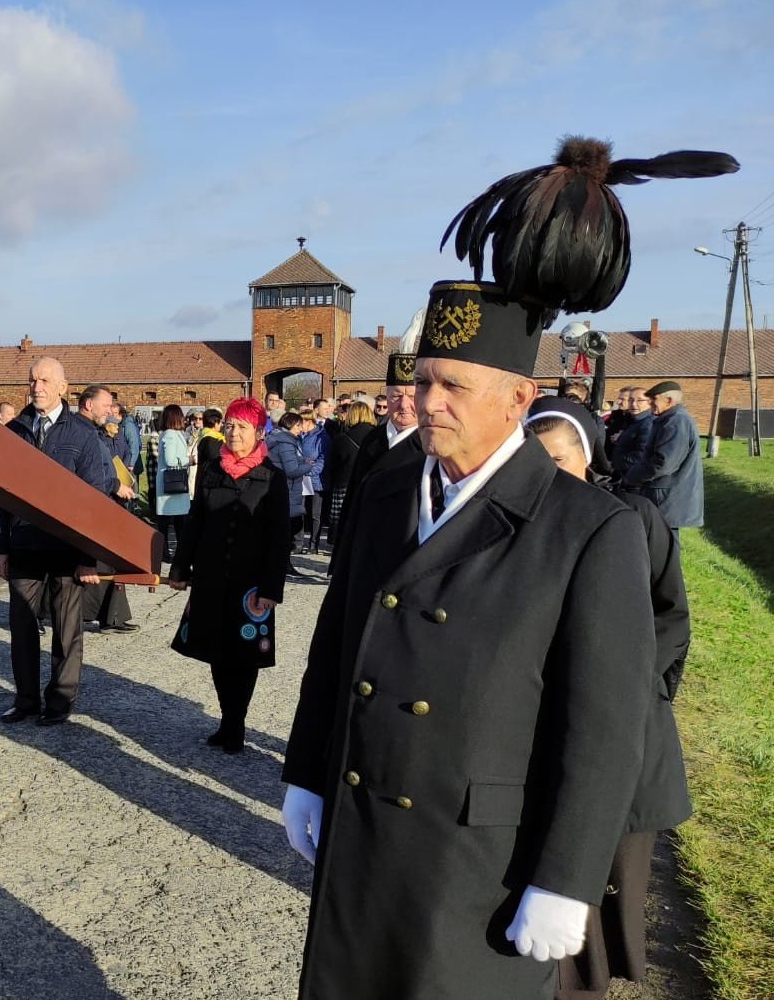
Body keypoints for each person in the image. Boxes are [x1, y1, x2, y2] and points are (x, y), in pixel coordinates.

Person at [281, 134, 734, 1000]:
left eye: (453, 386)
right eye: (423, 381)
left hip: (479, 859)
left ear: (520, 398)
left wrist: (567, 876)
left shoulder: (588, 529)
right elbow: (335, 644)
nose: (427, 403)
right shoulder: (386, 490)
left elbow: (603, 727)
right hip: (364, 824)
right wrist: (307, 769)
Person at [523, 397, 693, 1000]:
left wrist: (633, 687)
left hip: (620, 723)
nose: (546, 474)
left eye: (557, 460)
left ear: (587, 457)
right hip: (540, 723)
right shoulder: (518, 517)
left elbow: (670, 614)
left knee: (602, 870)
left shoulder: (632, 516)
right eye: (532, 461)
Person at [0, 357, 114, 726]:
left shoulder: (81, 434)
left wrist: (89, 555)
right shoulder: (14, 431)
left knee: (66, 629)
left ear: (63, 387)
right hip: (24, 544)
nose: (37, 387)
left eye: (45, 380)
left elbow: (95, 498)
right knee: (22, 628)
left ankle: (59, 702)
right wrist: (0, 546)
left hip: (65, 548)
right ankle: (26, 700)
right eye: (32, 380)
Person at [166, 397, 290, 753]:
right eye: (230, 425)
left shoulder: (272, 477)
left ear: (259, 432)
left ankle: (236, 722)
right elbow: (195, 522)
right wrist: (180, 567)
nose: (233, 432)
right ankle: (227, 718)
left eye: (242, 427)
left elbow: (280, 537)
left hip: (250, 585)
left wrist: (271, 587)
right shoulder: (211, 470)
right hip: (211, 578)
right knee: (216, 652)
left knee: (244, 655)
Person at [340, 309, 424, 527]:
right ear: (386, 396)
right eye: (396, 396)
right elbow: (353, 499)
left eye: (411, 397)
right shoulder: (372, 439)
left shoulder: (431, 443)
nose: (403, 405)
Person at [79, 386, 138, 635]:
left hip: (107, 504)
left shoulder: (96, 431)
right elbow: (89, 472)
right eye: (105, 406)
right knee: (100, 564)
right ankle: (106, 617)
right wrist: (115, 485)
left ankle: (111, 616)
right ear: (88, 405)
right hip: (95, 506)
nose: (110, 411)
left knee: (108, 563)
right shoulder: (82, 433)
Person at [619, 381, 704, 533]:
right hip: (663, 496)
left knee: (665, 542)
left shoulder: (676, 422)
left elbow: (663, 463)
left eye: (654, 399)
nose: (650, 402)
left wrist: (632, 477)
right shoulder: (668, 419)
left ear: (669, 400)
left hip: (667, 498)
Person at [325, 400, 376, 549]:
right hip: (369, 483)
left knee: (342, 519)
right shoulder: (378, 436)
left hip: (344, 483)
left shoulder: (342, 438)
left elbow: (333, 465)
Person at [151, 403, 193, 564]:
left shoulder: (173, 434)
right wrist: (188, 460)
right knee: (174, 523)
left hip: (172, 484)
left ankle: (170, 554)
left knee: (173, 522)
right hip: (172, 483)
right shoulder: (170, 435)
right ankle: (167, 554)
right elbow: (170, 460)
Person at [264, 412, 307, 556]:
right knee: (285, 529)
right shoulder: (285, 442)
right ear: (291, 425)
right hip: (287, 487)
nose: (301, 429)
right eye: (299, 426)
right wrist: (309, 466)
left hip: (283, 486)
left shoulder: (280, 438)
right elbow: (292, 470)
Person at [299, 407, 330, 554]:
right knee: (301, 511)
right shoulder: (300, 436)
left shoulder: (322, 437)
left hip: (316, 480)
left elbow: (323, 459)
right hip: (301, 478)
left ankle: (313, 544)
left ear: (309, 421)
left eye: (301, 422)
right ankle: (299, 543)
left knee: (315, 514)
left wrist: (309, 470)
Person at [608, 387, 654, 483]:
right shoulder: (634, 420)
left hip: (633, 478)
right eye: (631, 400)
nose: (633, 404)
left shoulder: (647, 424)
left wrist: (616, 463)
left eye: (640, 400)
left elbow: (641, 455)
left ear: (650, 402)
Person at [194, 408, 224, 480]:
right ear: (215, 423)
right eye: (220, 422)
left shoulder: (203, 436)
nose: (221, 425)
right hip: (210, 480)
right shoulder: (212, 440)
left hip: (203, 477)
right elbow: (216, 459)